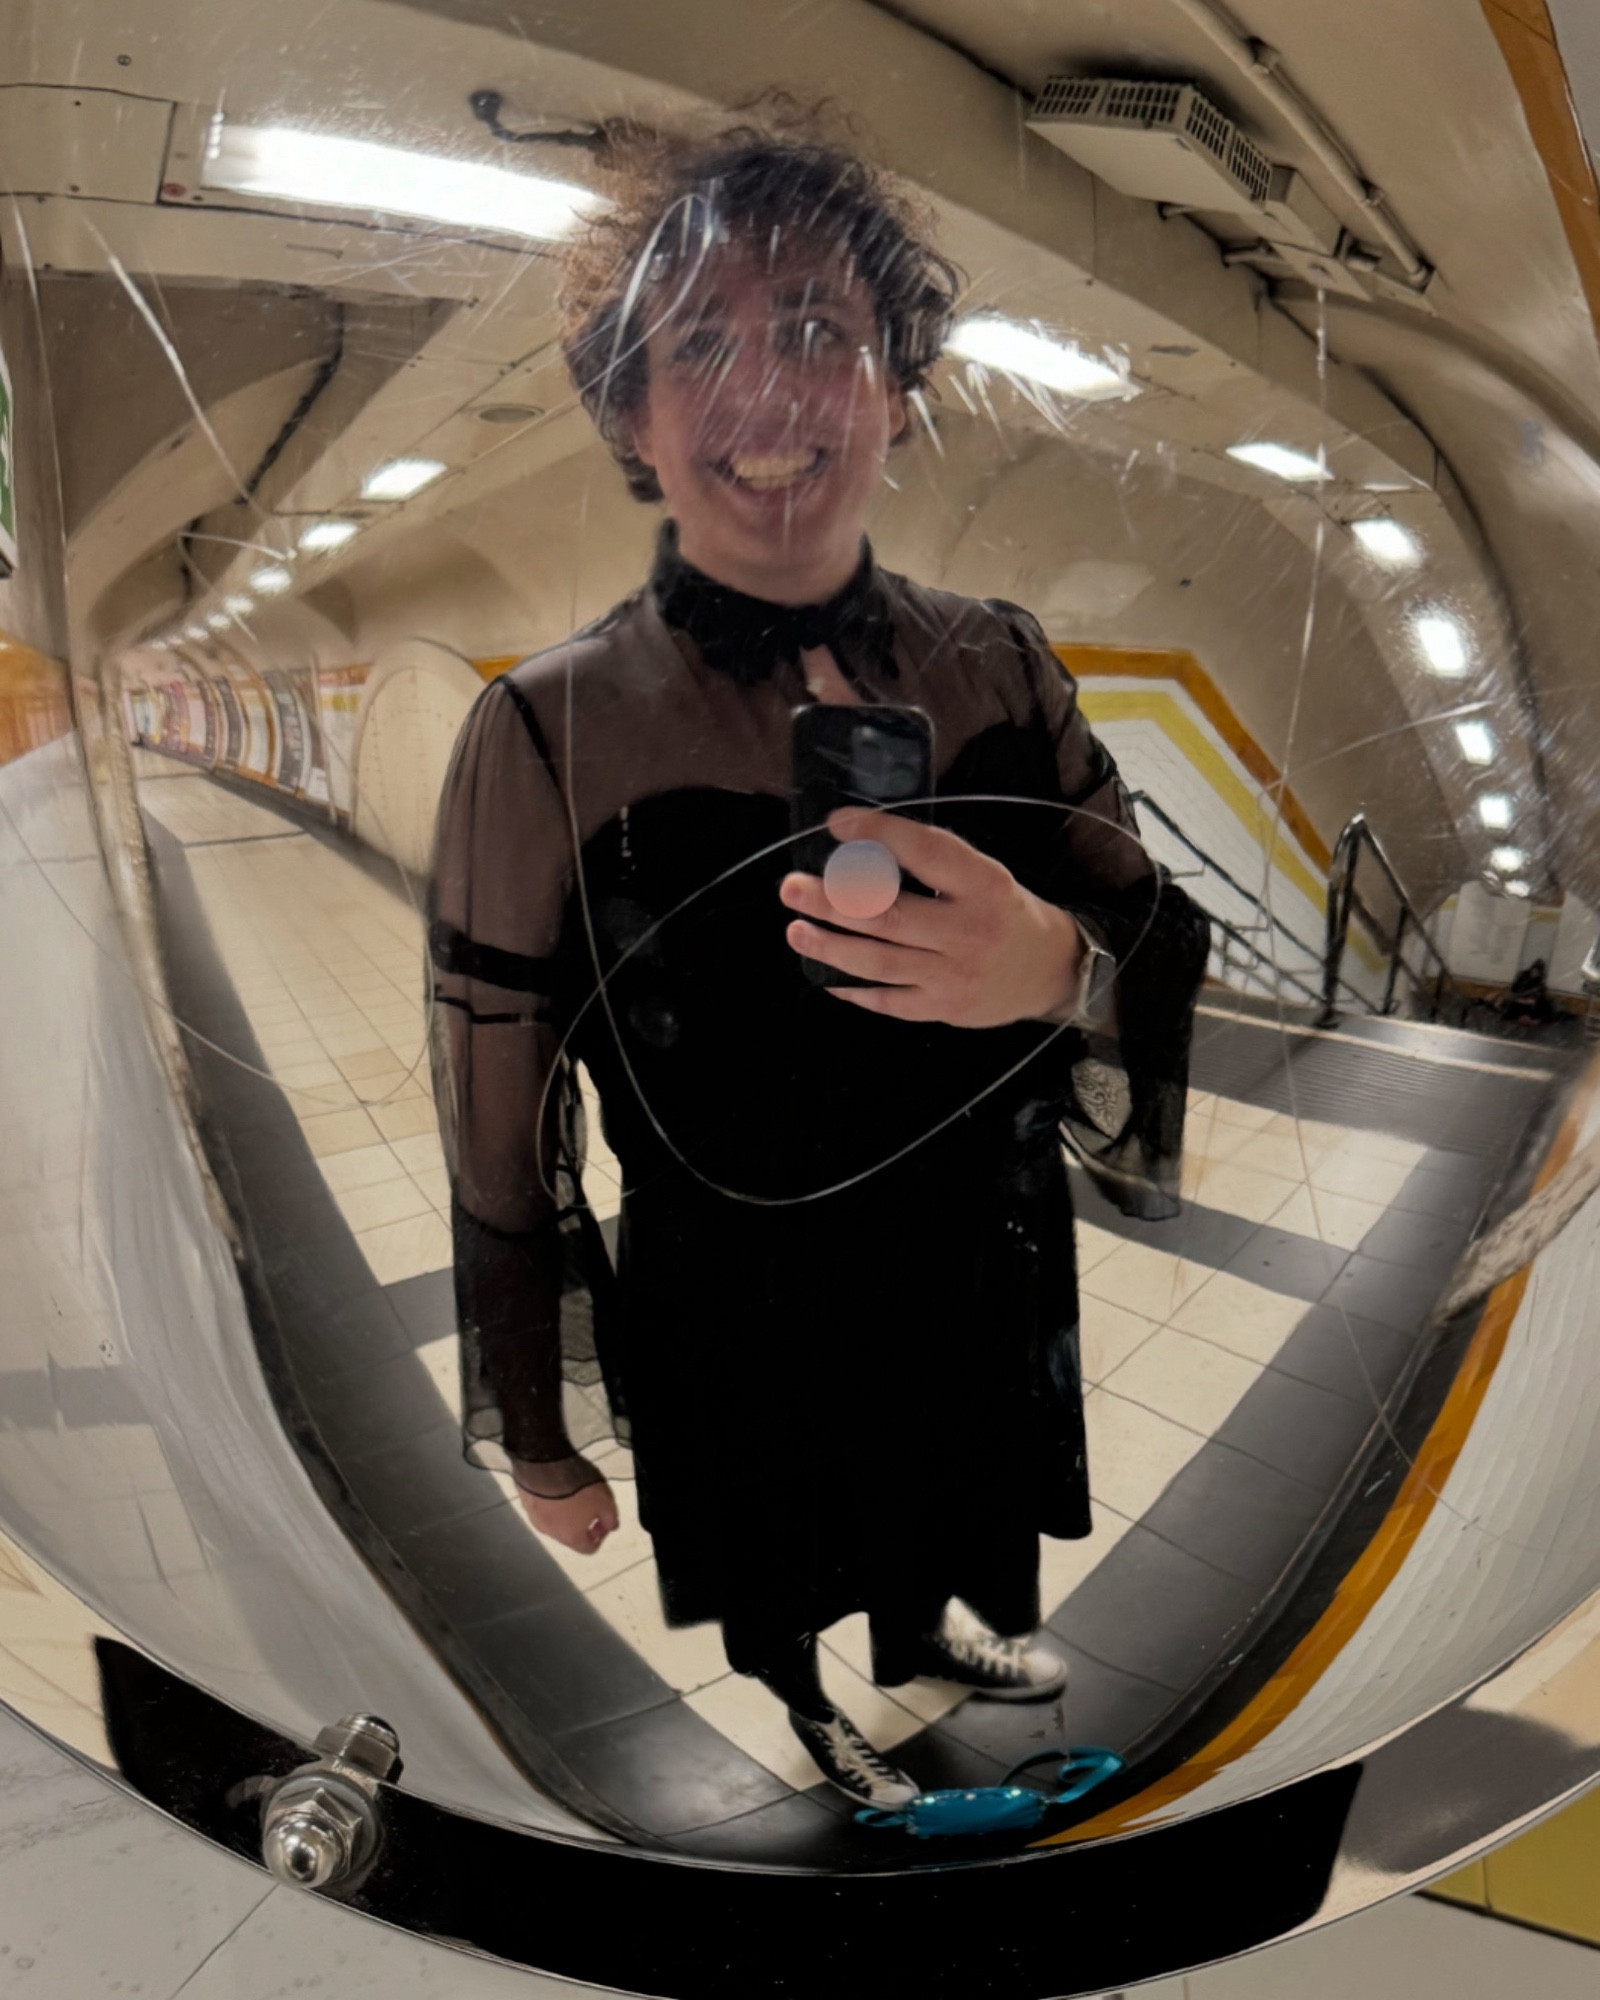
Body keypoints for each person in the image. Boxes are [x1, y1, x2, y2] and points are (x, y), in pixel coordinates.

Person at [428, 112, 1209, 1810]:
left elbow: (1151, 921)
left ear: (897, 388)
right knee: (778, 1518)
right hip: (734, 1279)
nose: (768, 391)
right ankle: (806, 1702)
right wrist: (530, 1415)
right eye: (695, 341)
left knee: (954, 1477)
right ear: (628, 413)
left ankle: (926, 1638)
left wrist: (1058, 970)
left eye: (818, 331)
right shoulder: (543, 729)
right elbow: (496, 1104)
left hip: (972, 1243)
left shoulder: (995, 661)